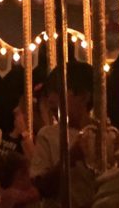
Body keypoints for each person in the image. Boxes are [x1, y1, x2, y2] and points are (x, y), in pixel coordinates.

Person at [29, 62, 110, 208]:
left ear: (84, 97)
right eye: (49, 93)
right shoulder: (48, 135)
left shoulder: (106, 135)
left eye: (59, 92)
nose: (51, 99)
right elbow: (41, 187)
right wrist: (70, 158)